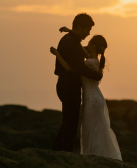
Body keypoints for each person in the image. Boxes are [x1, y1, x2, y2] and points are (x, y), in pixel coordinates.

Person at [51, 32, 122, 160]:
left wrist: (57, 54)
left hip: (91, 100)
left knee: (91, 130)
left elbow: (69, 67)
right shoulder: (94, 61)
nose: (86, 45)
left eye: (89, 43)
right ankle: (102, 156)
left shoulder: (88, 63)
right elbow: (83, 50)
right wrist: (71, 31)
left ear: (93, 46)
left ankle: (94, 156)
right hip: (96, 97)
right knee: (99, 129)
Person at [51, 13, 103, 152]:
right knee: (71, 122)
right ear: (79, 27)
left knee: (69, 121)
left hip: (68, 85)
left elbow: (85, 51)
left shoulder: (72, 40)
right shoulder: (70, 42)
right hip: (68, 86)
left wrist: (69, 30)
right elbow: (79, 68)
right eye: (87, 30)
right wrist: (97, 76)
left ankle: (59, 150)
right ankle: (64, 152)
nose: (88, 33)